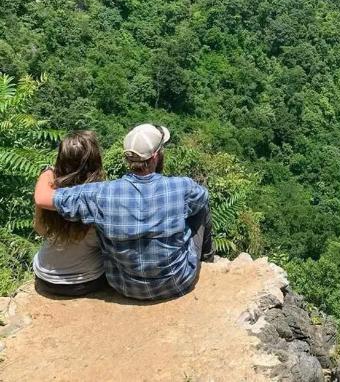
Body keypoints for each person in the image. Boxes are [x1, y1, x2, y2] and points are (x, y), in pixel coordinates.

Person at [34, 123, 213, 301]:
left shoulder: (101, 193)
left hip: (125, 286)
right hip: (177, 282)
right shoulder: (182, 186)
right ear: (156, 156)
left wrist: (49, 171)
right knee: (200, 207)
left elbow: (42, 199)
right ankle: (208, 259)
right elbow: (203, 199)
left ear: (128, 159)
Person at [33, 131, 109, 297]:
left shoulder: (50, 192)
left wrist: (47, 173)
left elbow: (40, 229)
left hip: (46, 279)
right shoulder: (102, 195)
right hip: (88, 281)